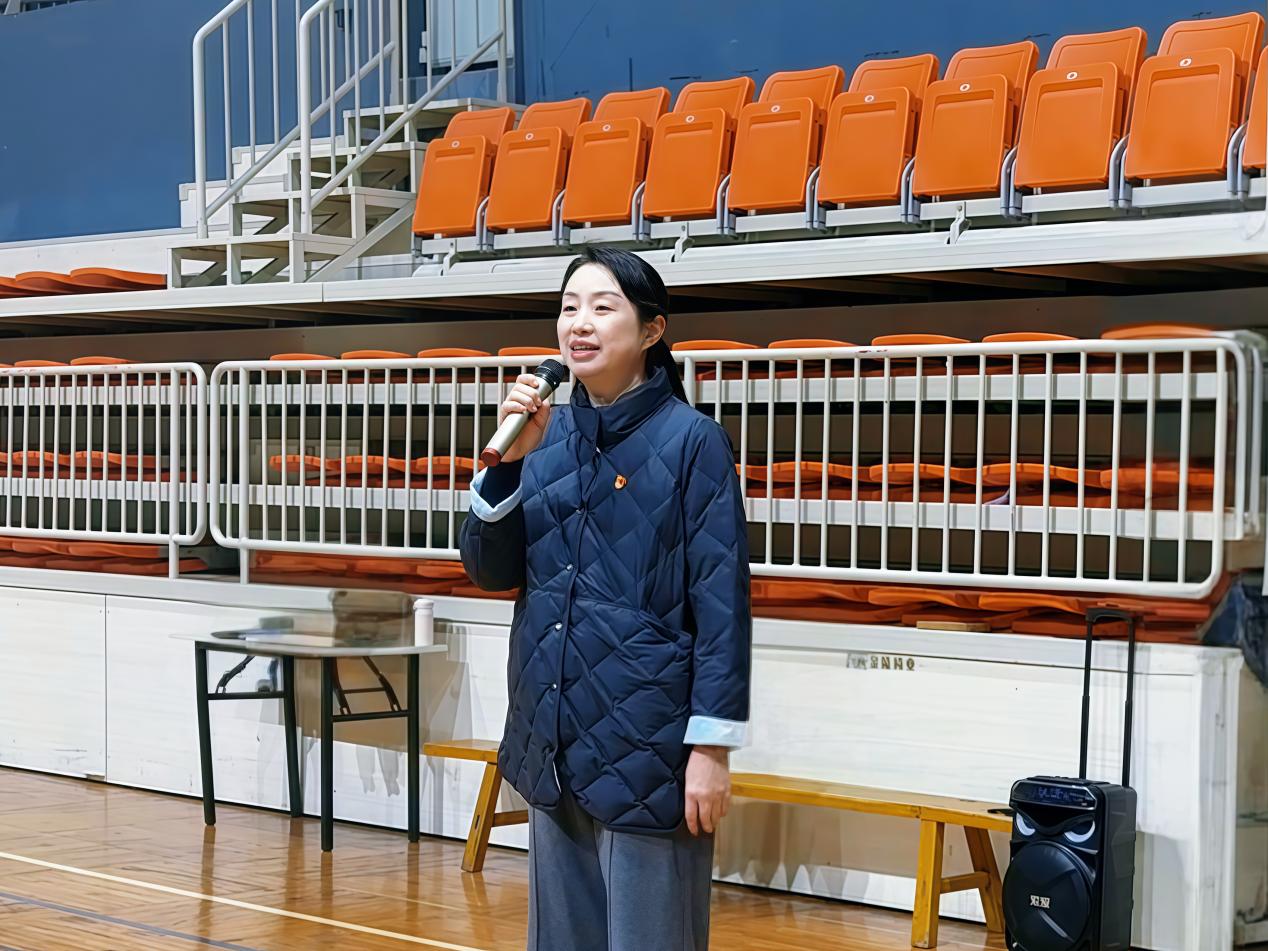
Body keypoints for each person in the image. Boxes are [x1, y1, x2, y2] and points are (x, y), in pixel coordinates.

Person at [459, 246, 752, 951]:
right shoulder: (543, 436)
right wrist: (508, 468)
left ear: (652, 329)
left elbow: (722, 606)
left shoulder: (694, 443)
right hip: (552, 734)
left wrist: (712, 748)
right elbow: (488, 571)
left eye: (602, 307)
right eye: (568, 309)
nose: (579, 324)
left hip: (649, 744)